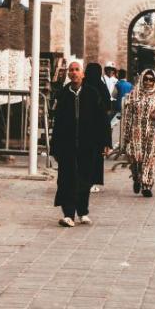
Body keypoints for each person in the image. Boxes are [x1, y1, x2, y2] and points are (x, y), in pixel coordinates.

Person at [50, 62, 110, 227]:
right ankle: (68, 214)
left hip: (88, 143)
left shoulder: (92, 93)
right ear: (68, 74)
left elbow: (102, 119)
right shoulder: (63, 94)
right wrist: (54, 146)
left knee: (86, 177)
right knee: (66, 178)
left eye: (77, 70)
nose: (74, 73)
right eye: (71, 70)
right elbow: (58, 122)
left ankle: (82, 211)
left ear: (82, 74)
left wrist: (106, 141)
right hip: (67, 143)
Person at [123, 69, 155, 198]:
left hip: (153, 132)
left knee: (150, 158)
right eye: (146, 79)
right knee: (135, 157)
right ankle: (137, 178)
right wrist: (126, 134)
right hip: (135, 131)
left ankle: (147, 185)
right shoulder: (134, 94)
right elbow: (128, 114)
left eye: (151, 79)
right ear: (142, 79)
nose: (148, 82)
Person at [83, 63, 113, 193]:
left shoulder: (82, 85)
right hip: (97, 128)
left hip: (83, 127)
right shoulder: (101, 87)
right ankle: (91, 182)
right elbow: (107, 108)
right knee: (95, 156)